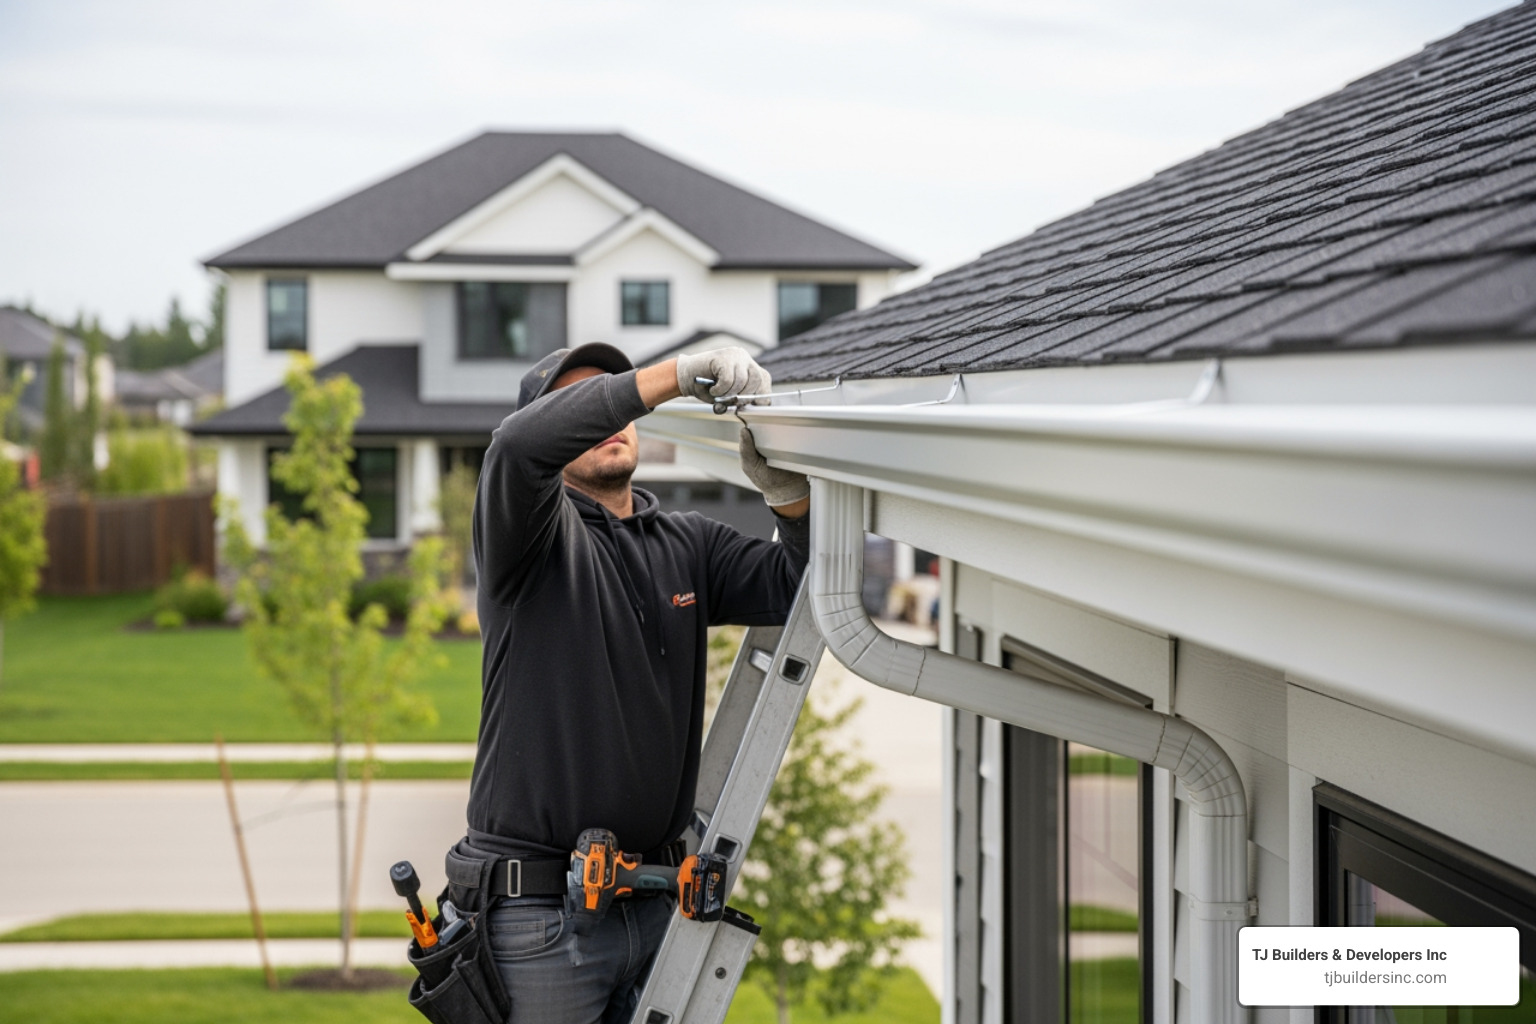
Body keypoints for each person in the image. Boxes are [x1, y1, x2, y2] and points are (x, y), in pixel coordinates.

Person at [443, 343, 810, 1024]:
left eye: (612, 393)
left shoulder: (688, 543)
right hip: (541, 921)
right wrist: (671, 376)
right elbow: (518, 448)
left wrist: (789, 496)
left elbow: (801, 590)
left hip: (657, 904)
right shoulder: (526, 543)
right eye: (580, 404)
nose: (609, 413)